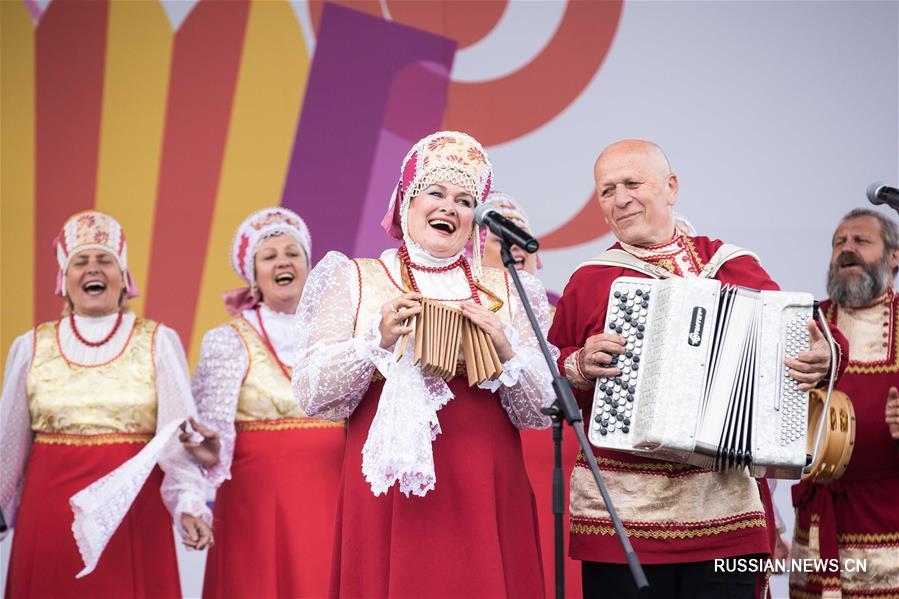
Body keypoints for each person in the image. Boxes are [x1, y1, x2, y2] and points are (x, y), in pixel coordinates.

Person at [547, 140, 845, 599]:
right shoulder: (590, 280)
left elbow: (805, 333)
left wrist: (823, 353)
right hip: (622, 521)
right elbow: (551, 378)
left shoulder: (733, 265)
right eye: (606, 190)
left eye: (632, 183)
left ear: (671, 188)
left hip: (725, 513)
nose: (619, 198)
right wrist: (580, 365)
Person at [292, 131, 557, 598]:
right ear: (405, 202)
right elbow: (312, 392)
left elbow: (544, 408)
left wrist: (507, 350)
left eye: (464, 200)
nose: (448, 208)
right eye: (434, 193)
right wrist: (376, 340)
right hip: (393, 491)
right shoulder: (359, 278)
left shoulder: (506, 289)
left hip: (486, 483)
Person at [0, 210, 212, 598]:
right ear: (64, 280)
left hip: (132, 518)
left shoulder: (158, 342)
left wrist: (190, 505)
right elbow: (7, 446)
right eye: (80, 262)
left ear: (123, 277)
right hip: (49, 522)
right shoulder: (30, 347)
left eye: (105, 260)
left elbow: (177, 437)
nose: (92, 270)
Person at [183, 207, 345, 598]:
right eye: (269, 257)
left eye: (293, 253)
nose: (283, 262)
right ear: (253, 275)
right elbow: (210, 430)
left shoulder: (341, 331)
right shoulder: (228, 339)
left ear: (309, 265)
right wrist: (204, 458)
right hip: (255, 499)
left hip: (334, 490)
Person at [476, 191, 582, 597]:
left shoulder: (562, 320)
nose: (513, 247)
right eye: (499, 238)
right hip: (505, 463)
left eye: (520, 237)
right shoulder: (464, 321)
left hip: (566, 468)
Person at [790, 208, 899, 598]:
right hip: (817, 527)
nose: (847, 250)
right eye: (839, 243)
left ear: (894, 256)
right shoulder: (803, 323)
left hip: (890, 528)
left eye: (861, 241)